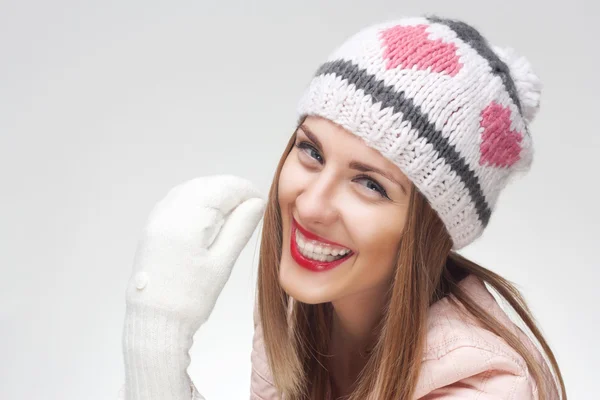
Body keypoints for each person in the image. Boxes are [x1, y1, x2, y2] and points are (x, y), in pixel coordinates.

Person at [117, 15, 566, 400]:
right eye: (311, 152)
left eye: (370, 184)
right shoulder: (303, 310)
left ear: (431, 229)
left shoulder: (485, 386)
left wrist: (155, 345)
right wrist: (158, 329)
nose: (311, 206)